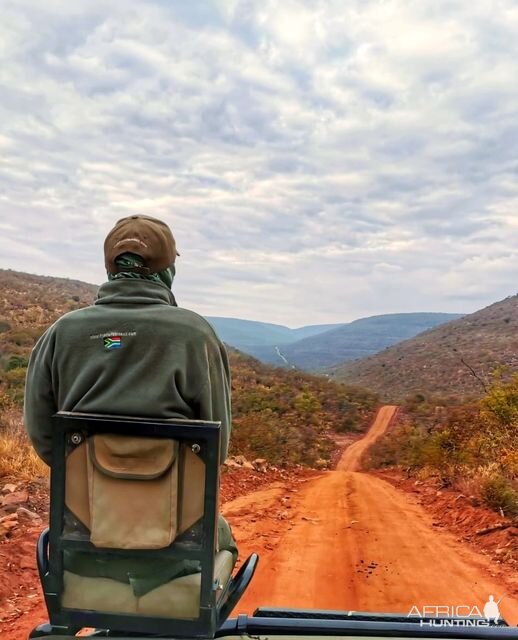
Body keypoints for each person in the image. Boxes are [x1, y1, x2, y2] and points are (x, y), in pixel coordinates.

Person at [24, 214, 237, 592]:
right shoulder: (195, 335)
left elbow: (43, 436)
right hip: (177, 547)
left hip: (83, 541)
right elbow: (216, 448)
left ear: (109, 267)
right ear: (168, 270)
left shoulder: (62, 333)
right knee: (223, 536)